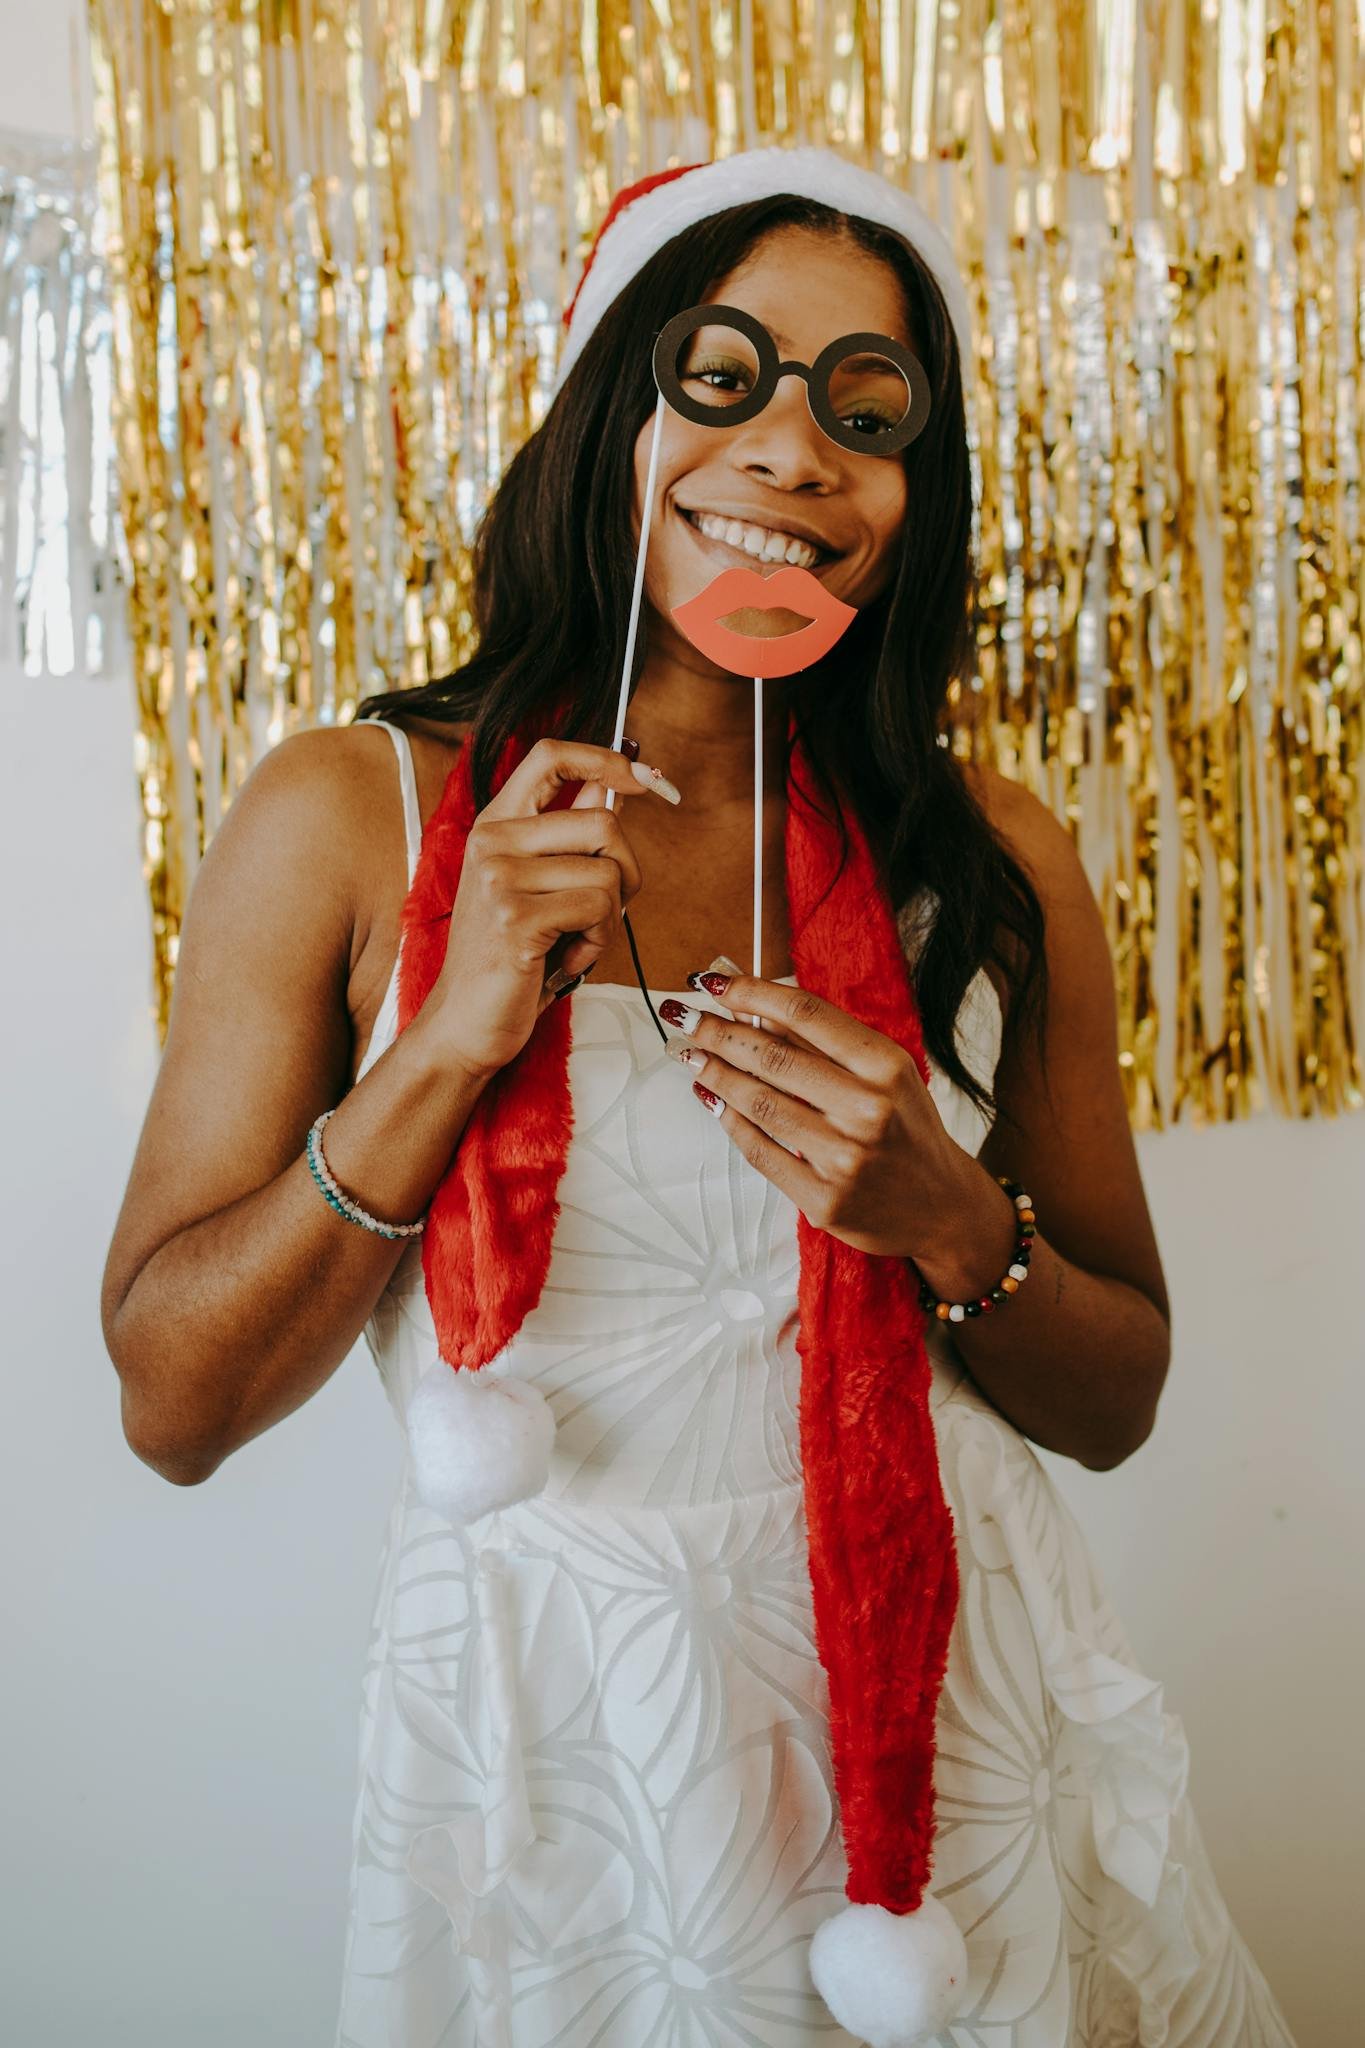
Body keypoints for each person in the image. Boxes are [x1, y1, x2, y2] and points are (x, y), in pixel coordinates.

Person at [101, 148, 1298, 2046]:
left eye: (867, 407)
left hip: (959, 1733)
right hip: (576, 1768)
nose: (796, 452)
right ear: (607, 419)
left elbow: (1116, 1399)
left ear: (916, 489)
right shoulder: (355, 815)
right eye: (719, 378)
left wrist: (946, 1218)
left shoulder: (990, 857)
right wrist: (446, 1041)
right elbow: (172, 1405)